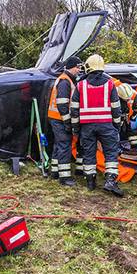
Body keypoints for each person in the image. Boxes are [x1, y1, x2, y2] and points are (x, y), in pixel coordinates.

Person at [70, 54, 124, 197]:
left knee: (89, 153)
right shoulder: (110, 84)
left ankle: (90, 182)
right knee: (111, 153)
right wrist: (116, 125)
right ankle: (110, 181)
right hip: (106, 125)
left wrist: (75, 128)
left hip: (87, 127)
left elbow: (74, 109)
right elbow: (116, 108)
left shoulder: (80, 85)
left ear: (88, 67)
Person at [47, 56, 83, 186]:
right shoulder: (65, 81)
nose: (79, 70)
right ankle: (64, 177)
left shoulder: (66, 79)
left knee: (59, 144)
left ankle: (55, 171)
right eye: (78, 67)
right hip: (60, 119)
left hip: (56, 117)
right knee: (64, 146)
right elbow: (63, 104)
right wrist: (68, 123)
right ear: (71, 67)